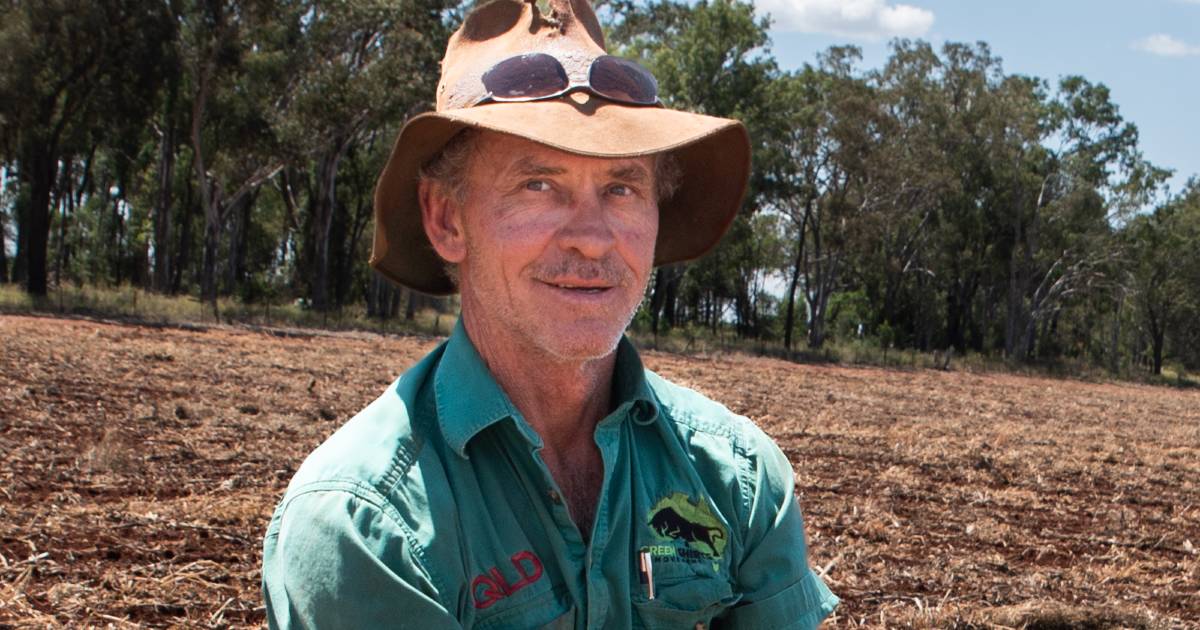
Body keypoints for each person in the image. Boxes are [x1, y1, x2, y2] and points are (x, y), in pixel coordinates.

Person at [261, 0, 838, 627]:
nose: (591, 237)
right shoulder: (367, 525)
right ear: (447, 219)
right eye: (538, 184)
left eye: (622, 187)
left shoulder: (738, 481)